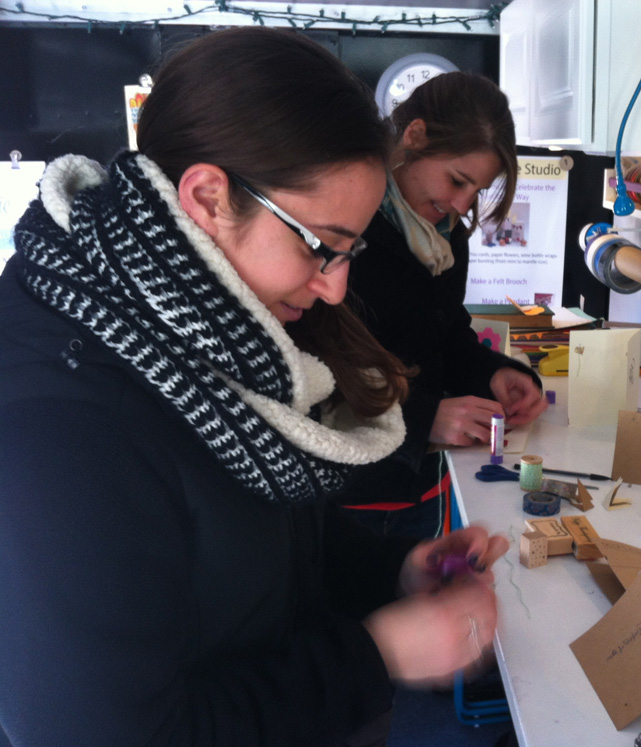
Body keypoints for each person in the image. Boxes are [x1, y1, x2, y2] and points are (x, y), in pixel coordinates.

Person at [0, 28, 508, 747]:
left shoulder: (201, 331)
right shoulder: (58, 429)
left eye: (350, 250)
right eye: (320, 245)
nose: (336, 288)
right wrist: (379, 653)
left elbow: (262, 522)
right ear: (208, 197)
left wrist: (392, 568)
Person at [289, 72, 548, 538]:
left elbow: (447, 334)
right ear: (415, 136)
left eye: (477, 191)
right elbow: (313, 365)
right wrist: (423, 416)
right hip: (347, 490)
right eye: (456, 180)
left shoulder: (447, 238)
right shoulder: (346, 227)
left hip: (427, 478)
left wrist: (495, 372)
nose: (461, 204)